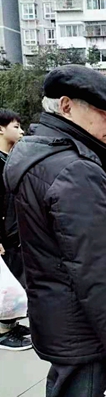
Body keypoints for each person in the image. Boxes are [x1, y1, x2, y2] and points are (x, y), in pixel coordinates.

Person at [3, 65, 106, 397]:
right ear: (67, 106)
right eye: (103, 112)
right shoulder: (74, 170)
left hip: (63, 318)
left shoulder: (36, 153)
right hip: (90, 332)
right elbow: (100, 272)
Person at [0, 109, 31, 351]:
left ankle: (10, 324)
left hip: (13, 232)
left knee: (14, 282)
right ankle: (3, 332)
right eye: (16, 126)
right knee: (5, 285)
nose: (21, 131)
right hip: (4, 234)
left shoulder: (8, 159)